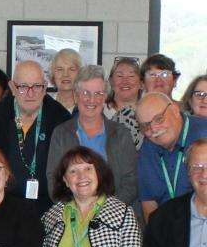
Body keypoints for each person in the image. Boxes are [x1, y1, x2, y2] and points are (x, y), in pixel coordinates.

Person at [0, 60, 72, 215]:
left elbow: (69, 169)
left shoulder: (61, 118)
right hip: (3, 206)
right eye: (23, 87)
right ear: (12, 88)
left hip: (51, 209)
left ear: (45, 87)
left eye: (36, 86)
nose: (30, 93)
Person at [47, 65, 138, 206]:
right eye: (85, 93)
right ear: (76, 96)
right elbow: (54, 180)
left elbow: (131, 182)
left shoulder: (121, 134)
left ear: (105, 97)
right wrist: (79, 212)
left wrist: (103, 211)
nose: (91, 99)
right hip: (73, 216)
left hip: (114, 216)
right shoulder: (61, 134)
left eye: (98, 94)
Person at [136, 92, 207, 221]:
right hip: (170, 229)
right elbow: (149, 203)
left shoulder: (204, 133)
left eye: (159, 119)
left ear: (175, 110)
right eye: (145, 125)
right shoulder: (147, 149)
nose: (153, 129)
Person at [104, 56, 143, 150]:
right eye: (119, 76)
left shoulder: (147, 115)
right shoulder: (99, 112)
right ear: (111, 82)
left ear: (141, 83)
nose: (125, 81)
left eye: (131, 76)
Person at [50, 48, 83, 113]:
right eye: (60, 69)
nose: (65, 74)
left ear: (80, 73)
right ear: (53, 74)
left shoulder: (88, 105)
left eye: (72, 69)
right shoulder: (44, 104)